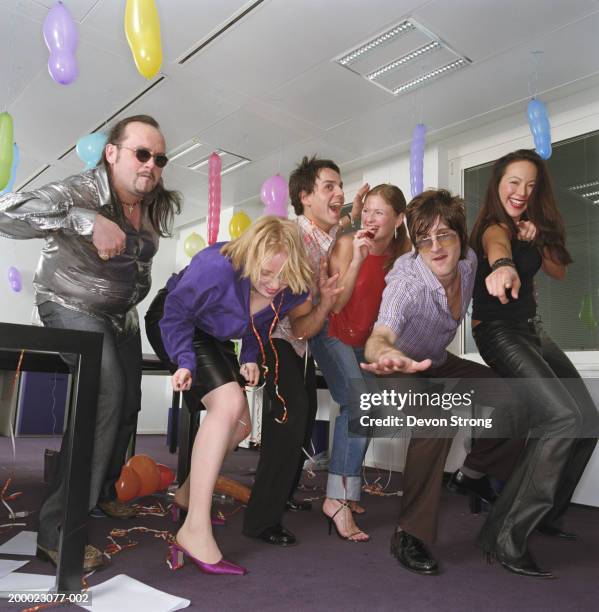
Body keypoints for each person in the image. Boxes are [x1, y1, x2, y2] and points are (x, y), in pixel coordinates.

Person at [0, 115, 181, 570]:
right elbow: (7, 213)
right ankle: (58, 530)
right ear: (112, 153)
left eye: (159, 158)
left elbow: (139, 264)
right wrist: (85, 221)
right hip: (68, 303)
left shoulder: (151, 203)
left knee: (129, 403)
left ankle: (102, 491)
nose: (152, 165)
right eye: (142, 153)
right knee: (105, 393)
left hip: (122, 315)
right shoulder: (81, 191)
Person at [148, 216, 339, 575]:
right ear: (250, 257)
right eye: (266, 273)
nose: (273, 285)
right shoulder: (216, 267)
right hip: (175, 320)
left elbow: (260, 323)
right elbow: (174, 315)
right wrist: (185, 360)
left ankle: (187, 495)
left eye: (283, 276)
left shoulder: (291, 288)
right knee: (230, 403)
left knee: (240, 425)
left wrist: (250, 357)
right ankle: (194, 530)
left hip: (214, 334)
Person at [361, 189, 524, 575]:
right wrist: (384, 351)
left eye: (444, 235)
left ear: (459, 236)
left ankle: (472, 474)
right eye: (424, 239)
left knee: (516, 397)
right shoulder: (407, 279)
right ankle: (408, 533)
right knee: (437, 419)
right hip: (399, 363)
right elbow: (380, 333)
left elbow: (498, 239)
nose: (435, 247)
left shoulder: (468, 261)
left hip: (437, 360)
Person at [469, 149, 599, 578]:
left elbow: (559, 271)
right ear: (497, 184)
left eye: (529, 184)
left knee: (588, 420)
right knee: (562, 418)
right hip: (498, 332)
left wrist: (537, 238)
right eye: (513, 182)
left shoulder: (529, 227)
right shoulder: (492, 226)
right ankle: (504, 534)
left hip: (532, 330)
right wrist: (504, 264)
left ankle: (544, 515)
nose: (521, 191)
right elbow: (496, 247)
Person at [241, 155, 369, 545]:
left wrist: (356, 216)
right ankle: (261, 520)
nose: (340, 193)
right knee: (290, 416)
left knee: (306, 412)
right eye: (329, 187)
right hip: (274, 335)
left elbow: (339, 230)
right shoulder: (292, 232)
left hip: (301, 336)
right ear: (304, 197)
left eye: (340, 186)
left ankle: (285, 493)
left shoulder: (325, 235)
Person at [321, 183, 411, 542]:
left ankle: (349, 485)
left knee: (370, 406)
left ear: (398, 219)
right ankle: (338, 498)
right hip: (331, 331)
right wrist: (358, 257)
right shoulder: (347, 243)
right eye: (368, 210)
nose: (371, 219)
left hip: (364, 340)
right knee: (358, 403)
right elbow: (338, 305)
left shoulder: (401, 255)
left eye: (380, 212)